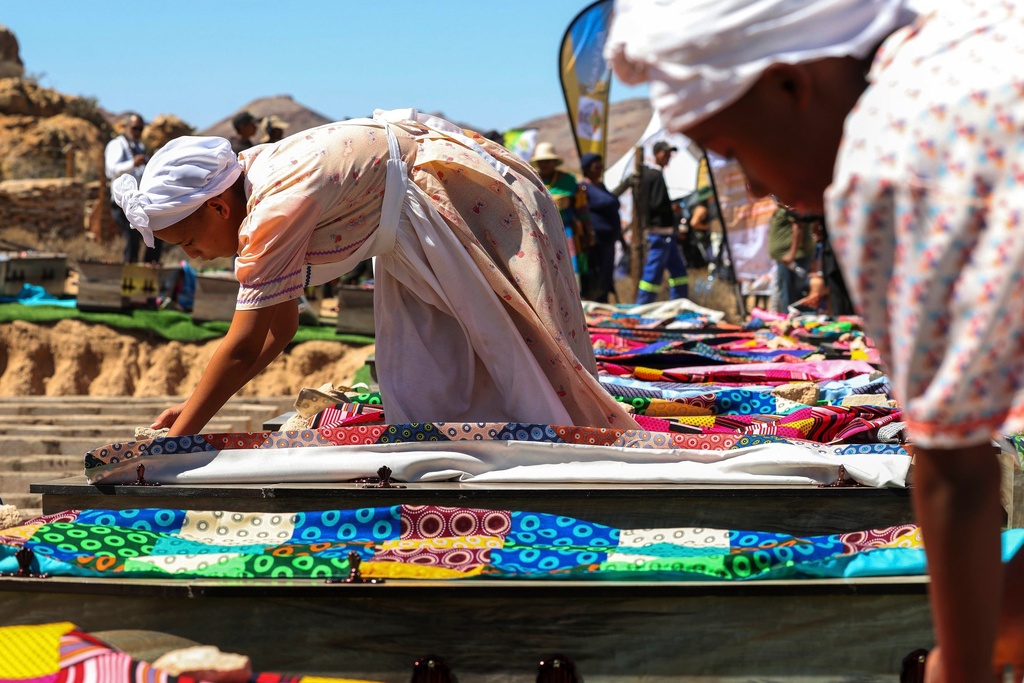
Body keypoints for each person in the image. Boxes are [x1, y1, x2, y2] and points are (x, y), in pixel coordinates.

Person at [607, 1, 1024, 680]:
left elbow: (959, 473)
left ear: (789, 83)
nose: (756, 187)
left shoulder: (891, 157)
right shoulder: (975, 36)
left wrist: (961, 662)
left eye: (736, 152)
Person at [111, 109, 639, 438]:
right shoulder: (250, 180)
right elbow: (282, 328)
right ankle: (477, 467)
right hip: (412, 229)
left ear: (219, 209)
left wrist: (183, 432)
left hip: (459, 200)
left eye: (189, 242)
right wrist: (195, 408)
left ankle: (557, 458)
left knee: (523, 354)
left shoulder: (272, 205)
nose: (195, 257)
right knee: (428, 376)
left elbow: (247, 343)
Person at [530, 142, 593, 291]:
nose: (544, 165)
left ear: (554, 162)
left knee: (570, 263)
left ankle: (574, 296)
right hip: (541, 230)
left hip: (566, 230)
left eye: (547, 161)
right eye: (541, 162)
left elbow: (581, 207)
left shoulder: (568, 180)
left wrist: (589, 229)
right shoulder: (532, 179)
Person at [635, 140, 688, 304]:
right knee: (652, 275)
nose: (667, 157)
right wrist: (672, 207)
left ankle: (679, 303)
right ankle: (642, 306)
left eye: (669, 154)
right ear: (656, 154)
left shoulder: (653, 175)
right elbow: (656, 203)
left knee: (678, 272)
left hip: (665, 234)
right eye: (664, 153)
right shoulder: (655, 175)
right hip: (659, 234)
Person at [105, 113, 161, 264]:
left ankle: (149, 267)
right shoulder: (117, 145)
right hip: (122, 201)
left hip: (139, 200)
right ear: (127, 127)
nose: (138, 132)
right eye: (135, 128)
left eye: (140, 129)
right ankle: (130, 269)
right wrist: (132, 163)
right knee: (133, 235)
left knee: (157, 232)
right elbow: (111, 170)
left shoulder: (140, 147)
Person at [578, 152, 622, 303]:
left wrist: (622, 239)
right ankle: (594, 307)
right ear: (587, 168)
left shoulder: (601, 186)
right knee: (596, 277)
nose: (600, 169)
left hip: (609, 241)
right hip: (595, 241)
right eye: (596, 166)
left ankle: (603, 305)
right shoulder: (582, 188)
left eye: (601, 166)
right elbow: (581, 214)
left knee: (606, 277)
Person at [767, 204, 814, 313]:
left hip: (793, 259)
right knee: (786, 293)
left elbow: (798, 227)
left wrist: (791, 254)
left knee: (790, 295)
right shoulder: (783, 206)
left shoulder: (790, 205)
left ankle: (792, 323)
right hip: (789, 259)